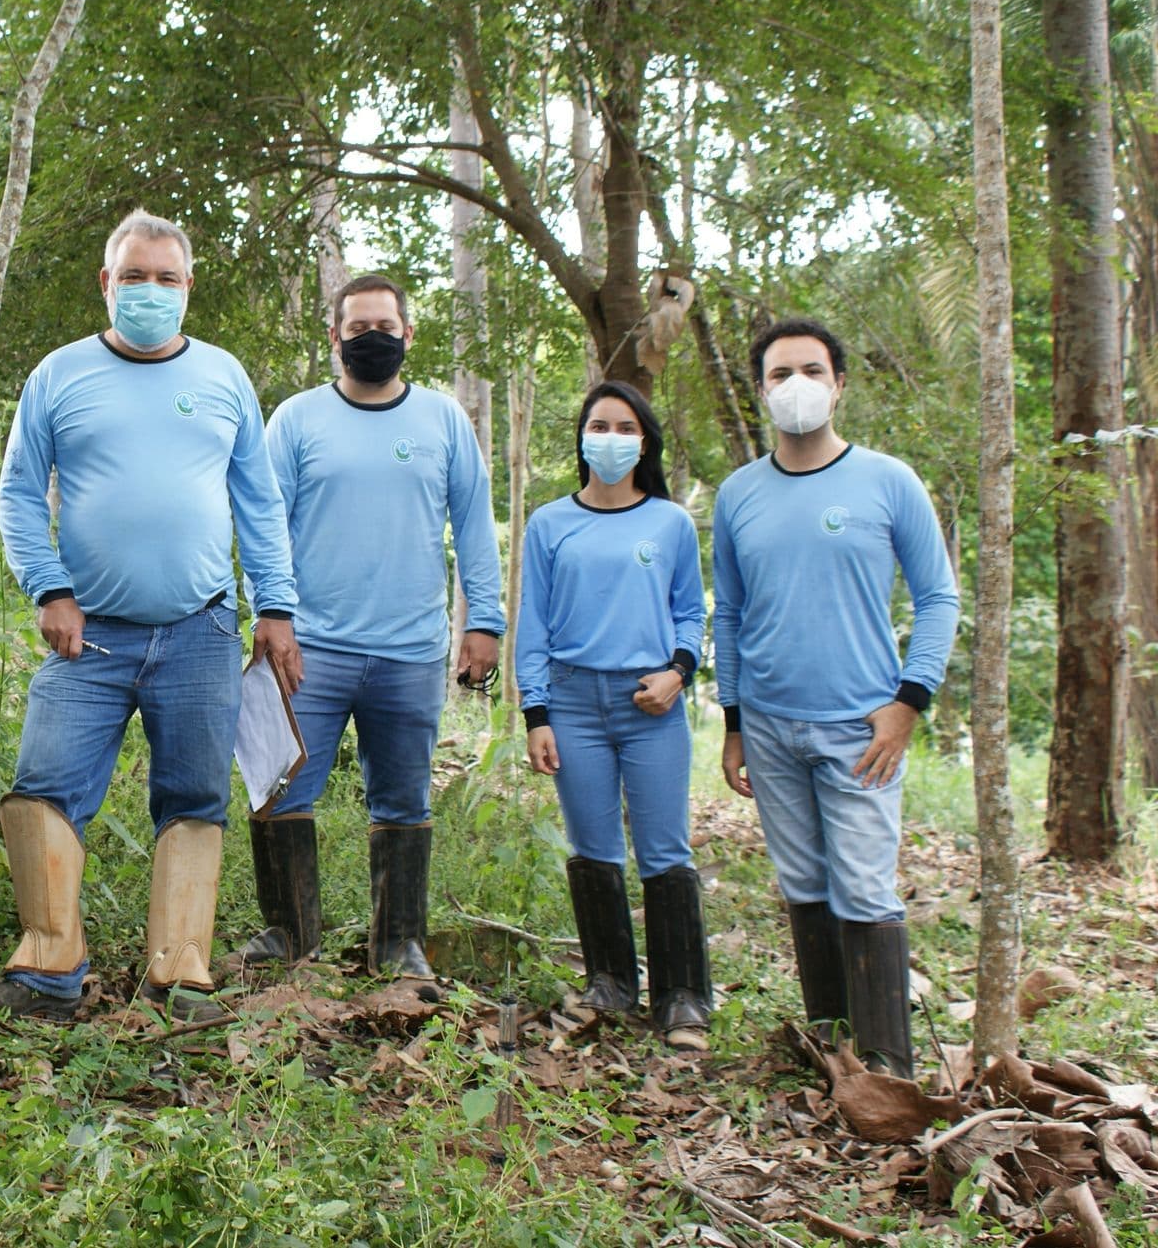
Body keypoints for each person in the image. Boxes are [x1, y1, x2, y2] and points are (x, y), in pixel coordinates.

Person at [0, 209, 302, 1022]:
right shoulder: (59, 375)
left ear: (189, 288)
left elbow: (259, 504)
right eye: (133, 276)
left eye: (165, 278)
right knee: (43, 791)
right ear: (106, 282)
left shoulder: (224, 377)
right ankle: (50, 965)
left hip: (201, 630)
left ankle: (179, 970)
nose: (148, 290)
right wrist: (48, 588)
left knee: (195, 795)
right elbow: (16, 495)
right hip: (88, 635)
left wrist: (278, 607)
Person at [714, 318, 960, 1077]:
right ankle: (832, 1049)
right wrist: (733, 722)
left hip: (862, 726)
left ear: (840, 383)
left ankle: (888, 1069)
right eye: (780, 373)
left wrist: (908, 702)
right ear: (761, 390)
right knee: (804, 884)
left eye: (812, 370)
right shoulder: (738, 494)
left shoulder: (888, 481)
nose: (797, 386)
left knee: (863, 887)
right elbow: (729, 610)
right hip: (769, 723)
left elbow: (939, 596)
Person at [246, 274, 503, 978]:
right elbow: (263, 524)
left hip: (410, 651)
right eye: (357, 327)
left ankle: (399, 943)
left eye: (385, 326)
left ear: (408, 334)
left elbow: (475, 525)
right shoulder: (296, 420)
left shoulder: (444, 421)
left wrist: (486, 620)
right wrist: (270, 613)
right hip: (310, 646)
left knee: (403, 796)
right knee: (280, 785)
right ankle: (290, 935)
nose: (372, 338)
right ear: (334, 337)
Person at [517, 381, 711, 1048]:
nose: (610, 437)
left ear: (645, 441)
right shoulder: (549, 524)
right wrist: (535, 713)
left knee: (664, 846)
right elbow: (533, 626)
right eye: (598, 423)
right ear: (581, 436)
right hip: (572, 701)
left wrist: (679, 673)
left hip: (650, 703)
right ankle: (610, 982)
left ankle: (683, 996)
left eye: (625, 427)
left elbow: (692, 610)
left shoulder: (670, 522)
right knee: (593, 845)